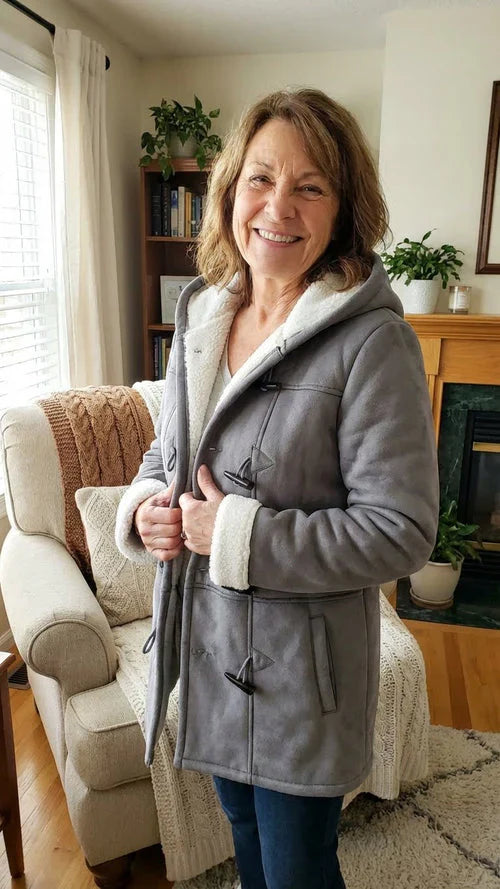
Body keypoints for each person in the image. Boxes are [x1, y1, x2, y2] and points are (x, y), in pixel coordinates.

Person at [115, 87, 440, 889]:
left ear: (344, 209)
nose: (278, 206)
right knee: (246, 843)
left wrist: (232, 532)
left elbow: (400, 530)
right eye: (260, 178)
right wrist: (150, 507)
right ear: (230, 191)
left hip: (303, 682)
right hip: (211, 653)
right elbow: (169, 451)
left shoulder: (374, 343)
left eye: (310, 186)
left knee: (297, 869)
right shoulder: (201, 318)